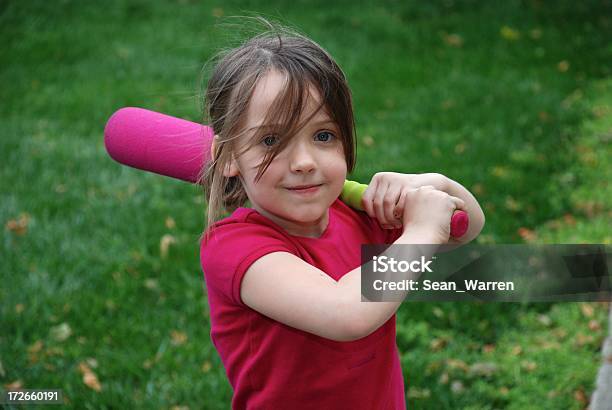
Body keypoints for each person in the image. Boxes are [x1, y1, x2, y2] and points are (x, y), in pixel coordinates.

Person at [198, 23, 485, 410]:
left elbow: (467, 229)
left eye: (323, 136)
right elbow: (345, 313)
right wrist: (419, 230)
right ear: (229, 156)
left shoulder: (357, 217)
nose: (303, 162)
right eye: (271, 141)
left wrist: (431, 184)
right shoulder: (234, 248)